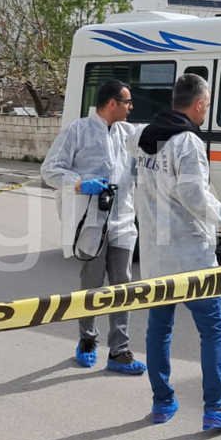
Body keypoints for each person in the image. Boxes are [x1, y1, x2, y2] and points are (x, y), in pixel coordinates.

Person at [136, 73, 221, 430]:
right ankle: (216, 406)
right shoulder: (187, 142)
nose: (206, 111)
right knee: (214, 328)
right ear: (199, 104)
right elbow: (194, 195)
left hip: (155, 255)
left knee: (159, 328)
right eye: (207, 104)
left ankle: (162, 402)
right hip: (190, 256)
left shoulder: (146, 137)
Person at [41, 80, 146, 375]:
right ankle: (87, 340)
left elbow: (150, 138)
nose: (131, 107)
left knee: (122, 285)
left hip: (122, 221)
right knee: (92, 285)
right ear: (112, 103)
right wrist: (79, 183)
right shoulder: (77, 131)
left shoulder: (126, 133)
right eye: (127, 102)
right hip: (90, 223)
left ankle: (120, 351)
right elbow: (49, 170)